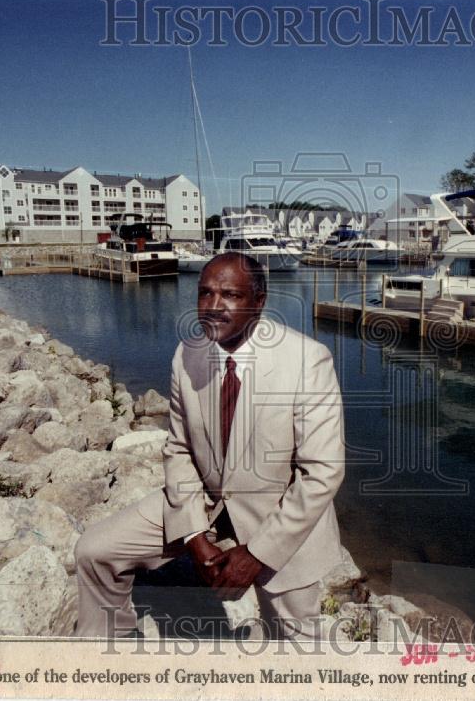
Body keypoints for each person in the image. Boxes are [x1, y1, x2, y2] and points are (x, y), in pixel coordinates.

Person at [74, 252, 346, 640]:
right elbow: (180, 448)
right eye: (205, 293)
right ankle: (103, 657)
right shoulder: (188, 353)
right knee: (95, 551)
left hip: (276, 514)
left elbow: (322, 473)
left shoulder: (307, 361)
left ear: (259, 300)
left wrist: (256, 554)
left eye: (230, 295)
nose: (214, 307)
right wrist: (193, 534)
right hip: (205, 501)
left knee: (297, 642)